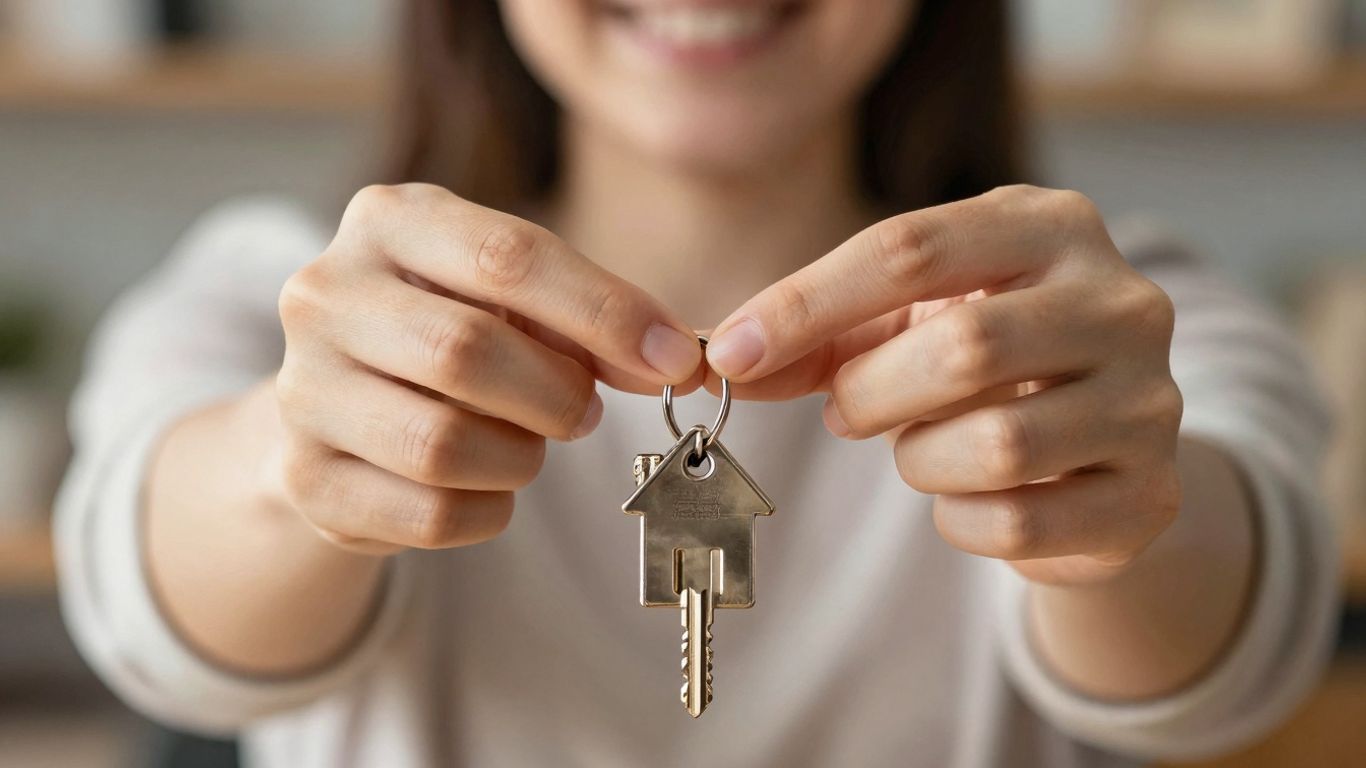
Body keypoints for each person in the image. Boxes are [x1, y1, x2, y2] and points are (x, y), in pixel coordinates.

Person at [55, 1, 1339, 766]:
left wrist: (1123, 510)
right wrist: (290, 465)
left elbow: (1248, 647)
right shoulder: (281, 293)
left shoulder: (1111, 316)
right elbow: (141, 600)